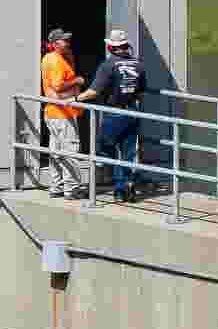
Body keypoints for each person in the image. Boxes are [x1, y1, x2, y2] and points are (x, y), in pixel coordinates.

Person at [80, 27, 149, 202]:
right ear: (126, 46)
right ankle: (126, 185)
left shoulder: (108, 65)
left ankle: (120, 184)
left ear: (110, 47)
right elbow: (141, 92)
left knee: (103, 147)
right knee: (127, 153)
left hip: (114, 112)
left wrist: (75, 98)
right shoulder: (138, 65)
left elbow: (93, 92)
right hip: (133, 111)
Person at [39, 28, 87, 195]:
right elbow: (58, 85)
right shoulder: (56, 60)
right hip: (63, 112)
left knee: (56, 151)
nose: (67, 43)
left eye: (68, 40)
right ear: (54, 44)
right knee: (70, 150)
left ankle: (57, 186)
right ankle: (72, 188)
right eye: (63, 41)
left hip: (53, 112)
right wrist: (77, 80)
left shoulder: (50, 58)